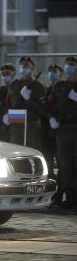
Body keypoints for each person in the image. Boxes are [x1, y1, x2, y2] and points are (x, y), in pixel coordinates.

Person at [48, 56, 77, 208]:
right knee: (65, 164)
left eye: (72, 64)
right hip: (63, 130)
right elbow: (49, 104)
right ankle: (69, 195)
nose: (69, 67)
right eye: (68, 64)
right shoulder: (59, 86)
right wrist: (52, 118)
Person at [7, 56, 46, 152]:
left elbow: (43, 109)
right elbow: (9, 103)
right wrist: (6, 114)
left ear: (32, 68)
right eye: (21, 65)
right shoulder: (14, 84)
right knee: (15, 153)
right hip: (15, 125)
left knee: (31, 153)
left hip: (31, 126)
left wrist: (29, 99)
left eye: (26, 65)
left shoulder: (38, 86)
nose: (23, 67)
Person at [42, 63, 63, 180]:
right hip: (47, 130)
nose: (51, 73)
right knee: (48, 160)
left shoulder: (63, 88)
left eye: (54, 71)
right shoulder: (47, 89)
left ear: (61, 73)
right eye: (50, 71)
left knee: (62, 162)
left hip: (60, 129)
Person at [0, 63, 17, 142]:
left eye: (7, 73)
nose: (5, 76)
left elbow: (24, 111)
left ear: (14, 74)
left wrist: (10, 117)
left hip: (16, 128)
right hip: (2, 128)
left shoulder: (20, 88)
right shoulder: (0, 89)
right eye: (3, 74)